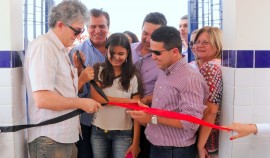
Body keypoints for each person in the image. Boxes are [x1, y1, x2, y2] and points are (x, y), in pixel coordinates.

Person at [24, 1, 102, 158]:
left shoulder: (59, 49)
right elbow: (43, 99)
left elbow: (64, 90)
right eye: (77, 31)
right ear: (60, 25)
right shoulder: (44, 47)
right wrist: (81, 103)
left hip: (63, 137)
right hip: (50, 138)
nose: (79, 36)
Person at [128, 26, 209, 158]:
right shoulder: (165, 69)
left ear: (175, 51)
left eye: (157, 52)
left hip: (175, 151)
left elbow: (191, 122)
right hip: (158, 146)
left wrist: (152, 118)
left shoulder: (190, 78)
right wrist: (147, 105)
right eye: (151, 51)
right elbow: (171, 100)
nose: (153, 57)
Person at [88, 33, 143, 158]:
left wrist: (135, 143)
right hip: (98, 131)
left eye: (121, 53)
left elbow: (137, 112)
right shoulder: (98, 69)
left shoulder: (134, 76)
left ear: (128, 53)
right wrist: (129, 101)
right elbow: (97, 99)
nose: (116, 57)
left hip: (124, 133)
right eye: (112, 53)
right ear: (107, 51)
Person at [70, 8, 110, 158]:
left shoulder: (118, 51)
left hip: (115, 122)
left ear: (108, 27)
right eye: (93, 26)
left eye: (102, 26)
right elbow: (71, 91)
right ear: (87, 28)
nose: (97, 30)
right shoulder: (76, 53)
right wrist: (80, 73)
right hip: (87, 122)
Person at [130, 12, 167, 158]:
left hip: (148, 117)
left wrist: (146, 100)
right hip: (123, 115)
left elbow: (166, 88)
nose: (148, 38)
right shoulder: (129, 49)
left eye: (154, 35)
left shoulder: (164, 58)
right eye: (145, 33)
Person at [194, 26, 223, 158]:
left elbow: (211, 110)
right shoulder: (218, 63)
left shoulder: (210, 67)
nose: (199, 46)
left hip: (208, 139)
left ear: (217, 45)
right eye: (198, 42)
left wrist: (200, 145)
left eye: (206, 42)